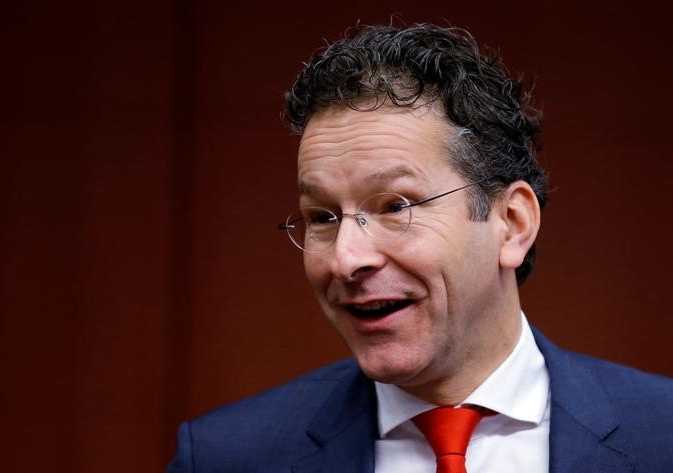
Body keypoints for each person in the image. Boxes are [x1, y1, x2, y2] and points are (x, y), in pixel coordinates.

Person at [166, 23, 673, 472]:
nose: (346, 258)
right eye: (322, 217)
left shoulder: (660, 437)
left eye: (394, 206)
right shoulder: (226, 455)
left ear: (513, 223)